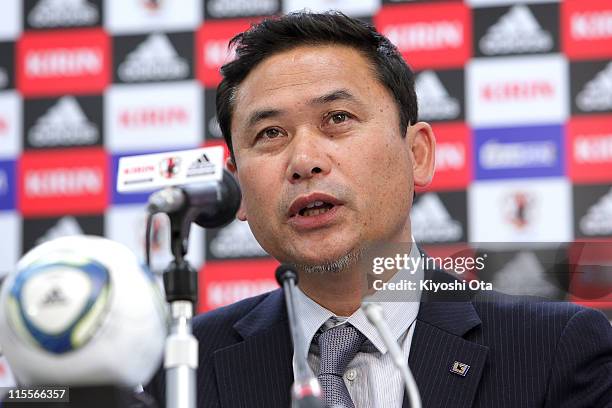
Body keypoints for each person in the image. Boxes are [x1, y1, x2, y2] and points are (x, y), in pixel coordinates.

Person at [146, 11, 612, 408]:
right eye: (270, 133)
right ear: (238, 187)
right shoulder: (178, 370)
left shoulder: (555, 352)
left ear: (418, 154)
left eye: (337, 119)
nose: (304, 160)